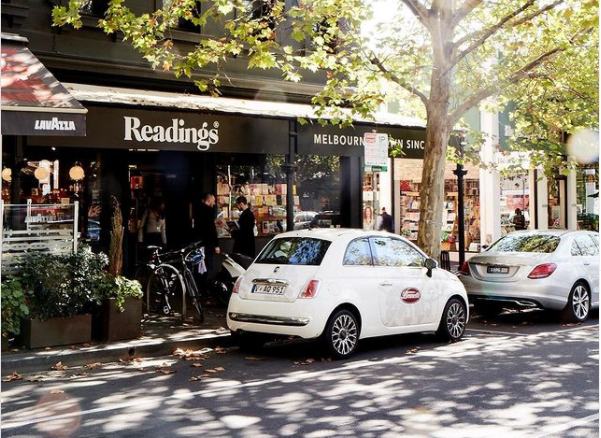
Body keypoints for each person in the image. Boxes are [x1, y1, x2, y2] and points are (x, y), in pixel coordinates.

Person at [193, 193, 221, 290]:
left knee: (199, 265)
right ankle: (203, 288)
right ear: (208, 200)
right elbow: (211, 229)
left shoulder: (197, 210)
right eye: (213, 201)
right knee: (207, 266)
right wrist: (216, 245)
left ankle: (197, 287)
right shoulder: (208, 211)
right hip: (207, 243)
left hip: (199, 243)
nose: (214, 203)